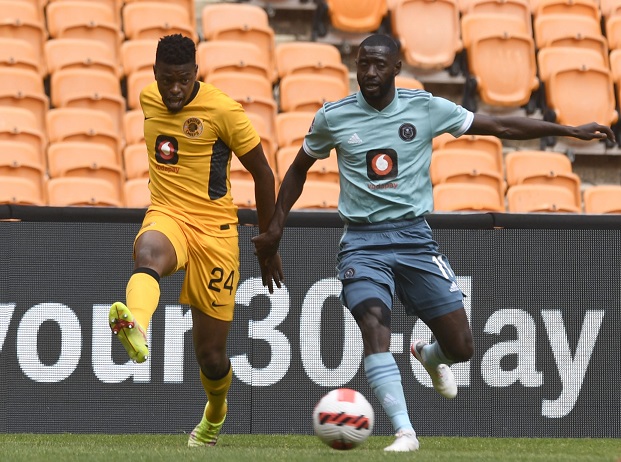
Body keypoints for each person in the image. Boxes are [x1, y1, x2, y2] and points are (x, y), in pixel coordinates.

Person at [252, 33, 615, 452]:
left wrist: (568, 129)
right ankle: (405, 431)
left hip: (414, 240)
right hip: (362, 244)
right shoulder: (334, 117)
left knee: (461, 347)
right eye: (363, 64)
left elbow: (497, 124)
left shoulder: (424, 108)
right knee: (374, 328)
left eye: (378, 65)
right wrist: (277, 226)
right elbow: (298, 169)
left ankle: (430, 356)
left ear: (396, 69)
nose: (369, 72)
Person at [108, 34, 282, 447]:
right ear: (153, 74)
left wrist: (269, 241)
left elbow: (264, 174)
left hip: (216, 234)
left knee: (210, 355)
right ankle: (138, 326)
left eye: (183, 80)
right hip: (168, 215)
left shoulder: (224, 110)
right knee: (147, 252)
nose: (174, 89)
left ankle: (215, 414)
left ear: (196, 75)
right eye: (167, 79)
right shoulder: (148, 99)